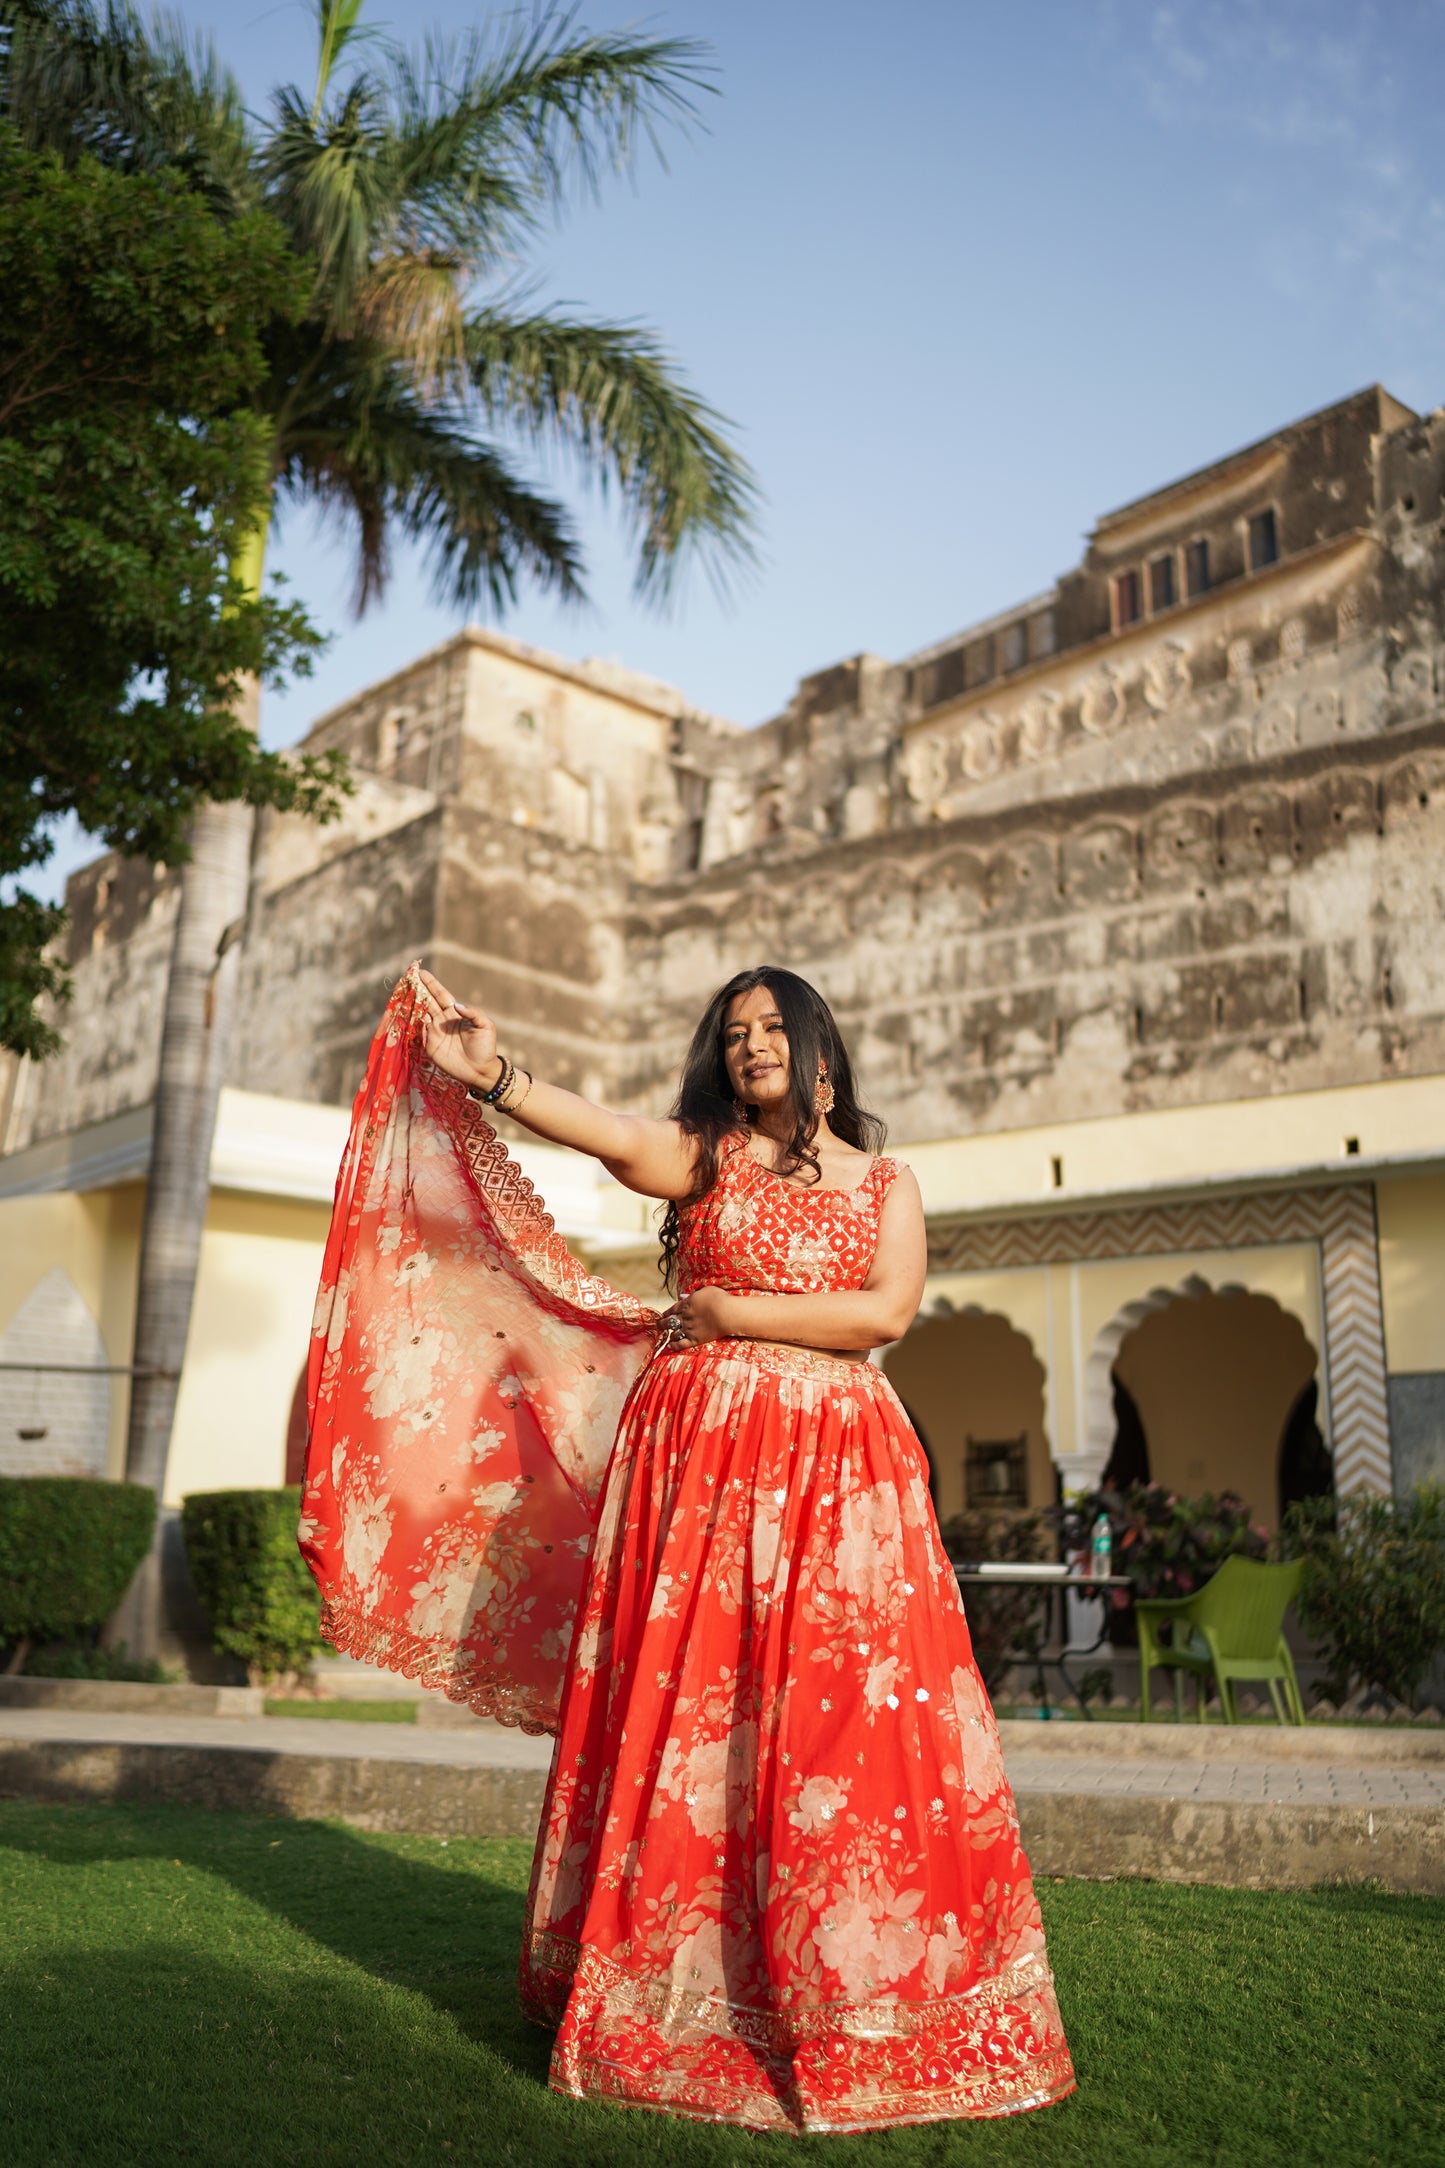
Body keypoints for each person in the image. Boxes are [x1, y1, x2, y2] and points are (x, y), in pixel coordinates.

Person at [301, 960, 1074, 2135]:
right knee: (699, 1709)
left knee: (843, 1718)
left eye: (773, 1027)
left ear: (820, 1050)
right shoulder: (705, 1158)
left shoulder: (888, 1182)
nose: (751, 1045)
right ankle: (677, 1995)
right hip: (703, 1474)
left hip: (839, 1483)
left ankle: (853, 2000)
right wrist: (495, 1074)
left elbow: (881, 1314)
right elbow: (607, 1134)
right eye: (733, 1032)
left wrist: (734, 1316)